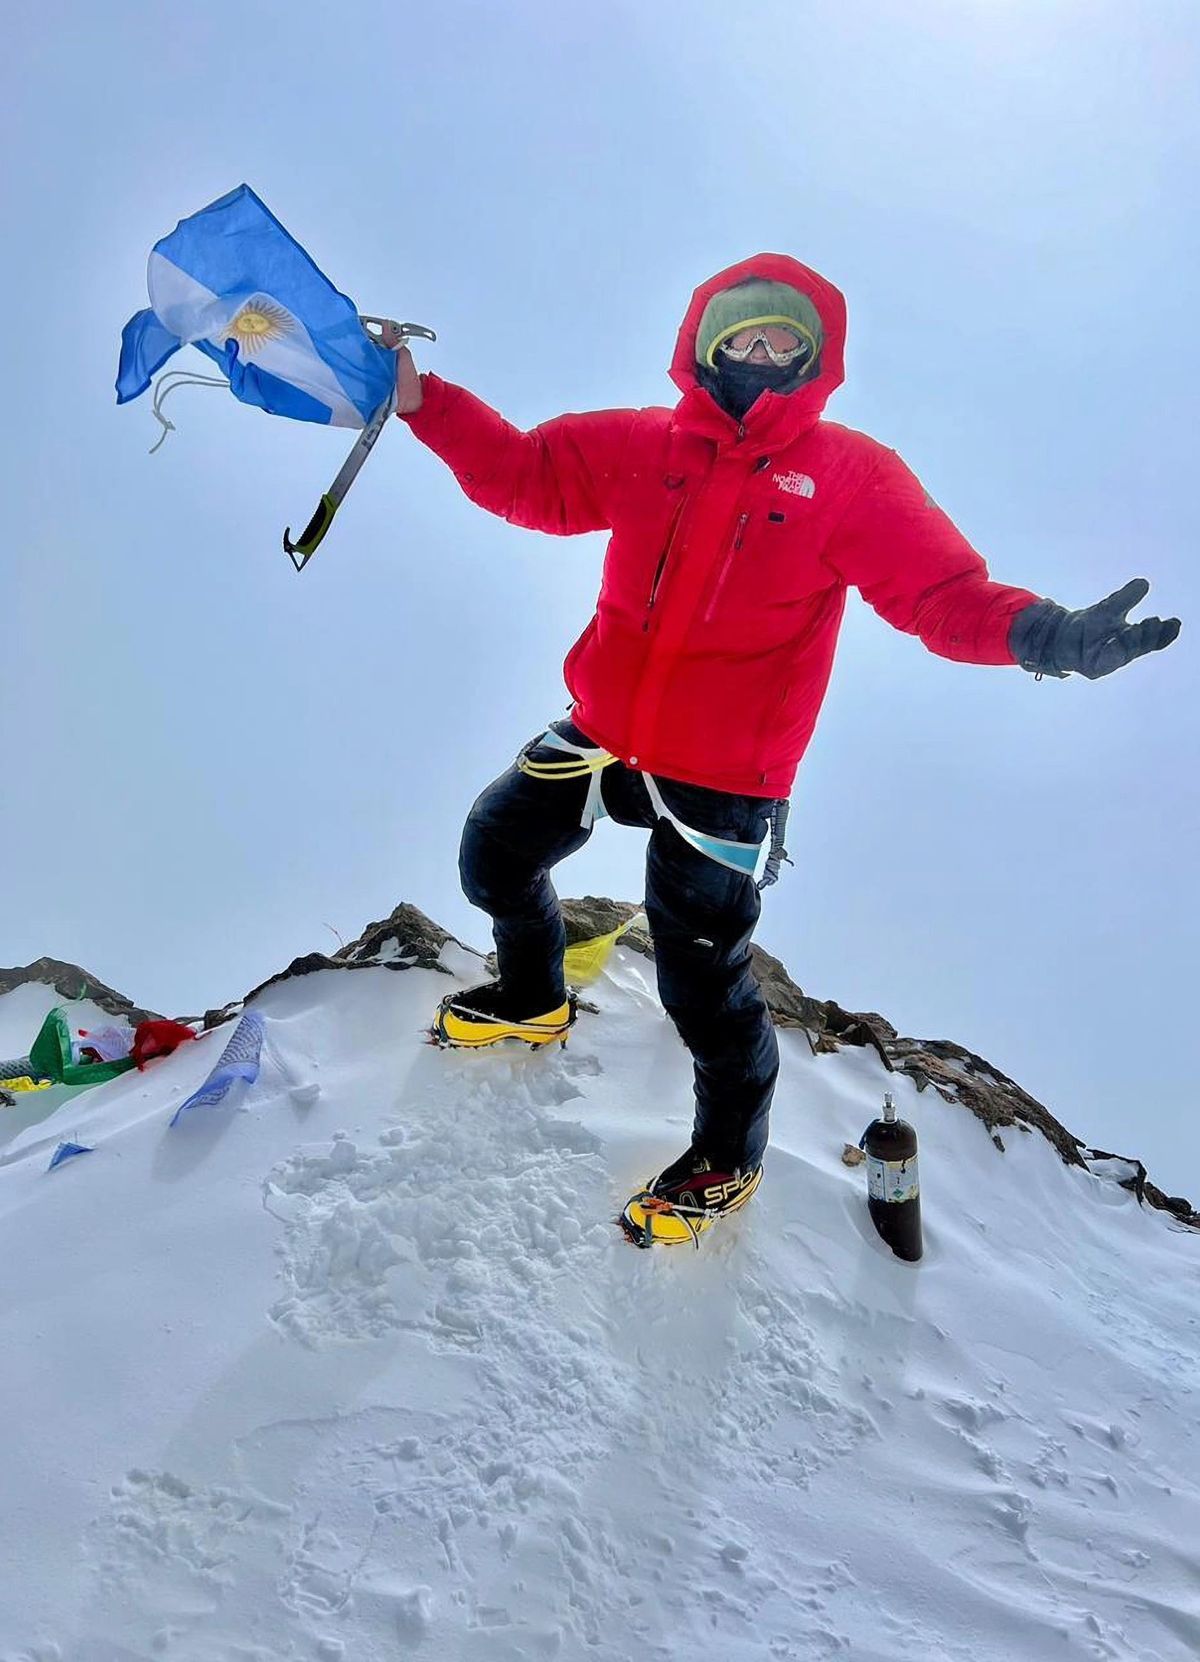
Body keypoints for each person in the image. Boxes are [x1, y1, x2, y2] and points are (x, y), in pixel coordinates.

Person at [394, 254, 1179, 1241]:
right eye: (744, 334)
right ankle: (532, 995)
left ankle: (727, 1156)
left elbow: (937, 596)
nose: (762, 353)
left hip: (724, 780)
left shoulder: (851, 476)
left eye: (785, 341)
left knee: (702, 982)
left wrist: (1048, 636)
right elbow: (523, 476)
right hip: (603, 732)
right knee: (494, 852)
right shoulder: (646, 445)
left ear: (814, 360)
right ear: (706, 344)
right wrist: (421, 400)